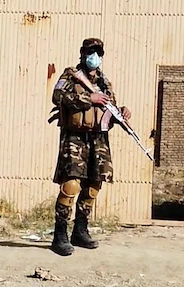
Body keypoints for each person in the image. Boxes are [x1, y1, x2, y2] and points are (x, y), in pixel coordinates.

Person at [49, 37, 131, 256]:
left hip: (98, 139)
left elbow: (109, 107)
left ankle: (80, 230)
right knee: (71, 185)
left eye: (98, 53)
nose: (94, 56)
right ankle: (60, 235)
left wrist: (121, 112)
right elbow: (58, 96)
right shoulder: (71, 75)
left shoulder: (104, 83)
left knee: (94, 185)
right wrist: (88, 98)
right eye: (90, 52)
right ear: (82, 53)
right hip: (75, 137)